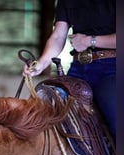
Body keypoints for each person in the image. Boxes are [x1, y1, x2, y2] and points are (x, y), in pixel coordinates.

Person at [23, 0, 116, 140]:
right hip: (78, 69)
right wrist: (41, 64)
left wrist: (90, 41)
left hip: (113, 68)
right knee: (43, 107)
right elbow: (58, 36)